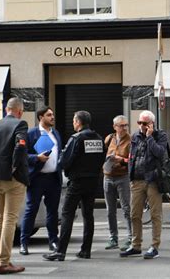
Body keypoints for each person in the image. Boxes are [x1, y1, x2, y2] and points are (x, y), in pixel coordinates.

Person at [43, 111, 105, 261]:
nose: (73, 123)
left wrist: (66, 168)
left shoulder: (76, 138)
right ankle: (86, 250)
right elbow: (102, 158)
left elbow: (65, 160)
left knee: (67, 214)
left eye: (73, 120)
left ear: (78, 122)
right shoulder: (98, 138)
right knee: (88, 215)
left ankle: (60, 251)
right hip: (93, 182)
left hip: (77, 181)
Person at [0, 97, 29, 274]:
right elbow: (21, 146)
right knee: (10, 218)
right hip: (12, 178)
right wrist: (15, 167)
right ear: (19, 111)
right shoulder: (20, 124)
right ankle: (4, 262)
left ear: (6, 109)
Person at [120, 110, 168, 259]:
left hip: (153, 180)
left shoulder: (160, 136)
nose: (141, 125)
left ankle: (154, 246)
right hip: (137, 180)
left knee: (155, 215)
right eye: (139, 123)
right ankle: (136, 245)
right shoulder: (135, 136)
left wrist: (149, 138)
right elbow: (132, 155)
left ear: (152, 123)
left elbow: (160, 153)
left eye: (145, 123)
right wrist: (131, 175)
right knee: (135, 214)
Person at [20, 106, 62, 255]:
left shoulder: (55, 133)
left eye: (52, 114)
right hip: (37, 178)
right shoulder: (31, 134)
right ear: (40, 117)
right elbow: (22, 155)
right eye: (49, 115)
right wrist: (36, 158)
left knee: (53, 212)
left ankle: (53, 241)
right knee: (31, 210)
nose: (52, 117)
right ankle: (24, 243)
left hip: (53, 178)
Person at [103, 115, 132, 251]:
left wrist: (121, 160)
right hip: (108, 177)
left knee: (126, 208)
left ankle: (130, 238)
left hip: (123, 177)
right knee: (110, 210)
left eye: (126, 125)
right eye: (121, 125)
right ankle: (113, 238)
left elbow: (133, 160)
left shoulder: (131, 140)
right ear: (115, 127)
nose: (124, 128)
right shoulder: (110, 139)